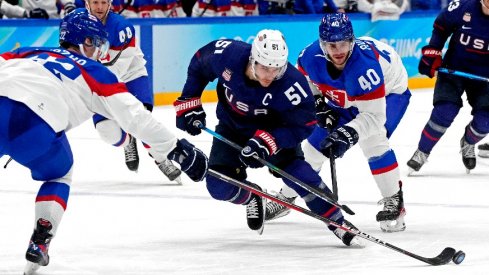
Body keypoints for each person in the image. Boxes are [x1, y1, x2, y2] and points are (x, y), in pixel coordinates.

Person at [0, 11, 208, 274]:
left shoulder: (28, 51)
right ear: (84, 41)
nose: (99, 51)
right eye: (96, 44)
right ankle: (40, 239)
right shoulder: (96, 71)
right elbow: (135, 117)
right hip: (35, 129)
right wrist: (176, 147)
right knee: (59, 175)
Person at [174, 29, 363, 246]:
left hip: (274, 131)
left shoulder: (293, 84)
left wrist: (269, 141)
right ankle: (252, 196)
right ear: (253, 59)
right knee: (218, 185)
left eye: (276, 69)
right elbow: (199, 63)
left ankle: (337, 222)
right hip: (231, 128)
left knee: (301, 176)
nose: (268, 75)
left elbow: (306, 122)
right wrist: (189, 100)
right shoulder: (227, 55)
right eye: (264, 67)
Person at [265, 13, 411, 233]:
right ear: (323, 44)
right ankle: (287, 196)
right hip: (345, 95)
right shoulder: (309, 56)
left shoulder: (366, 67)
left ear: (352, 40)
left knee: (373, 140)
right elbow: (307, 81)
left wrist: (348, 134)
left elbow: (374, 116)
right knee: (313, 150)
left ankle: (394, 200)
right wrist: (318, 104)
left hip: (389, 93)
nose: (339, 50)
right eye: (332, 45)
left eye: (343, 43)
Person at [79, 0, 183, 183]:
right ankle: (128, 141)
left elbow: (117, 70)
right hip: (101, 82)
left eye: (103, 2)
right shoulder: (78, 26)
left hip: (131, 77)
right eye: (95, 2)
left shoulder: (122, 28)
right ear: (87, 3)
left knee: (140, 121)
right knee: (106, 131)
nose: (100, 7)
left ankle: (161, 158)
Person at [407, 0, 489, 174]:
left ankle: (468, 142)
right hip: (454, 69)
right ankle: (422, 151)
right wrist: (433, 52)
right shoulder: (462, 6)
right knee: (444, 111)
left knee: (485, 121)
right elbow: (441, 26)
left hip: (484, 78)